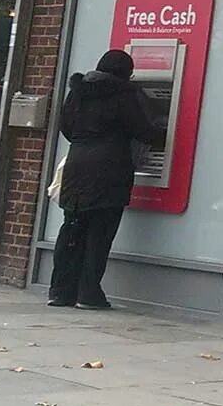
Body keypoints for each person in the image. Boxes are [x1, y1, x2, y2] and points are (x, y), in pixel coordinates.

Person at [48, 49, 165, 309]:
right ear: (125, 72)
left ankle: (60, 291)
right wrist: (163, 136)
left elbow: (65, 126)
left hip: (77, 166)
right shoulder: (125, 95)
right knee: (99, 233)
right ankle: (89, 294)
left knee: (71, 228)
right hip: (109, 169)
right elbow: (143, 130)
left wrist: (84, 142)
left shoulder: (78, 92)